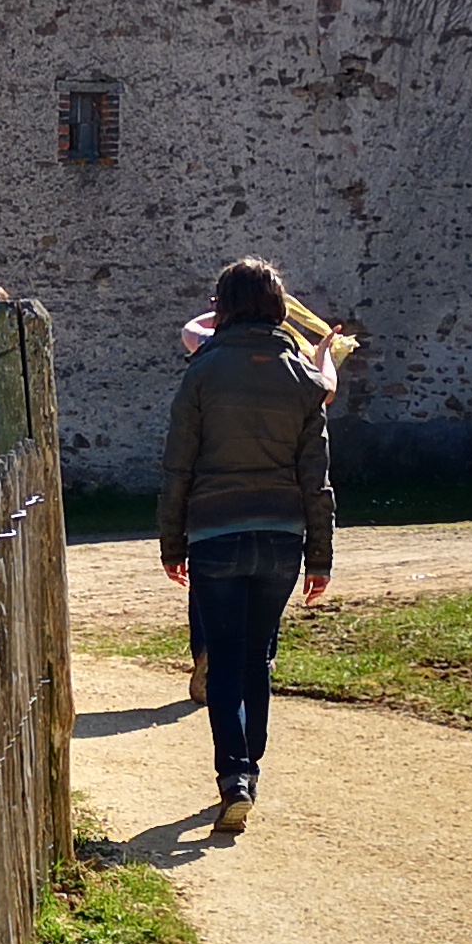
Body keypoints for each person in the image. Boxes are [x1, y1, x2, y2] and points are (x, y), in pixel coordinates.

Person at [159, 257, 333, 836]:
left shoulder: (202, 372)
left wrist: (171, 542)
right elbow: (317, 476)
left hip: (214, 531)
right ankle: (249, 769)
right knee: (257, 656)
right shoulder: (302, 380)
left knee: (226, 660)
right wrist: (320, 557)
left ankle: (234, 778)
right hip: (282, 535)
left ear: (223, 307)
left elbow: (178, 465)